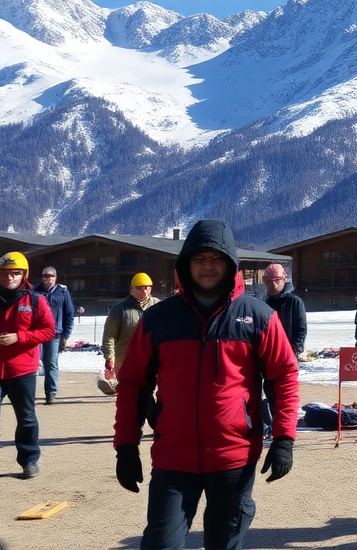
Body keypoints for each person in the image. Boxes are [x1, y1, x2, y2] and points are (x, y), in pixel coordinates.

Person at [113, 219, 300, 550]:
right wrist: (126, 446)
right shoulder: (159, 319)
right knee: (160, 544)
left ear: (230, 264)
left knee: (223, 543)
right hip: (174, 458)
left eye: (216, 258)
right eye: (199, 259)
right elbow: (132, 384)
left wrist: (284, 439)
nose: (208, 266)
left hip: (233, 456)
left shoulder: (258, 317)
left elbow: (283, 377)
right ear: (185, 265)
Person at [0, 251, 55, 479]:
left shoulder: (35, 300)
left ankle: (29, 460)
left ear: (23, 275)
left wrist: (19, 337)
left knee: (26, 418)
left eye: (15, 273)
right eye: (4, 274)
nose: (9, 278)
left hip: (22, 370)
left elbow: (49, 330)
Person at [261, 263, 306, 439]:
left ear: (283, 280)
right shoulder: (265, 303)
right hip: (268, 356)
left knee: (285, 395)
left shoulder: (295, 302)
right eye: (268, 281)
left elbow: (301, 329)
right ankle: (272, 426)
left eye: (275, 281)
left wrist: (294, 351)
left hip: (287, 356)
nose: (272, 284)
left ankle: (284, 432)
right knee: (269, 391)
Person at [102, 272, 160, 378]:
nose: (144, 291)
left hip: (152, 359)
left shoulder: (158, 307)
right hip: (126, 360)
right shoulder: (120, 309)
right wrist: (110, 358)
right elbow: (109, 336)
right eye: (139, 288)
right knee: (128, 391)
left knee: (149, 390)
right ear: (132, 289)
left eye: (146, 287)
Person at [32, 266, 75, 404]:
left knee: (51, 364)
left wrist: (66, 335)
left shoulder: (62, 292)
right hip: (35, 333)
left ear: (55, 278)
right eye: (45, 276)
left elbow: (69, 314)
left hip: (54, 333)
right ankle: (28, 394)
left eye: (51, 276)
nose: (48, 278)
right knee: (32, 364)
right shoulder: (34, 292)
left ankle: (50, 393)